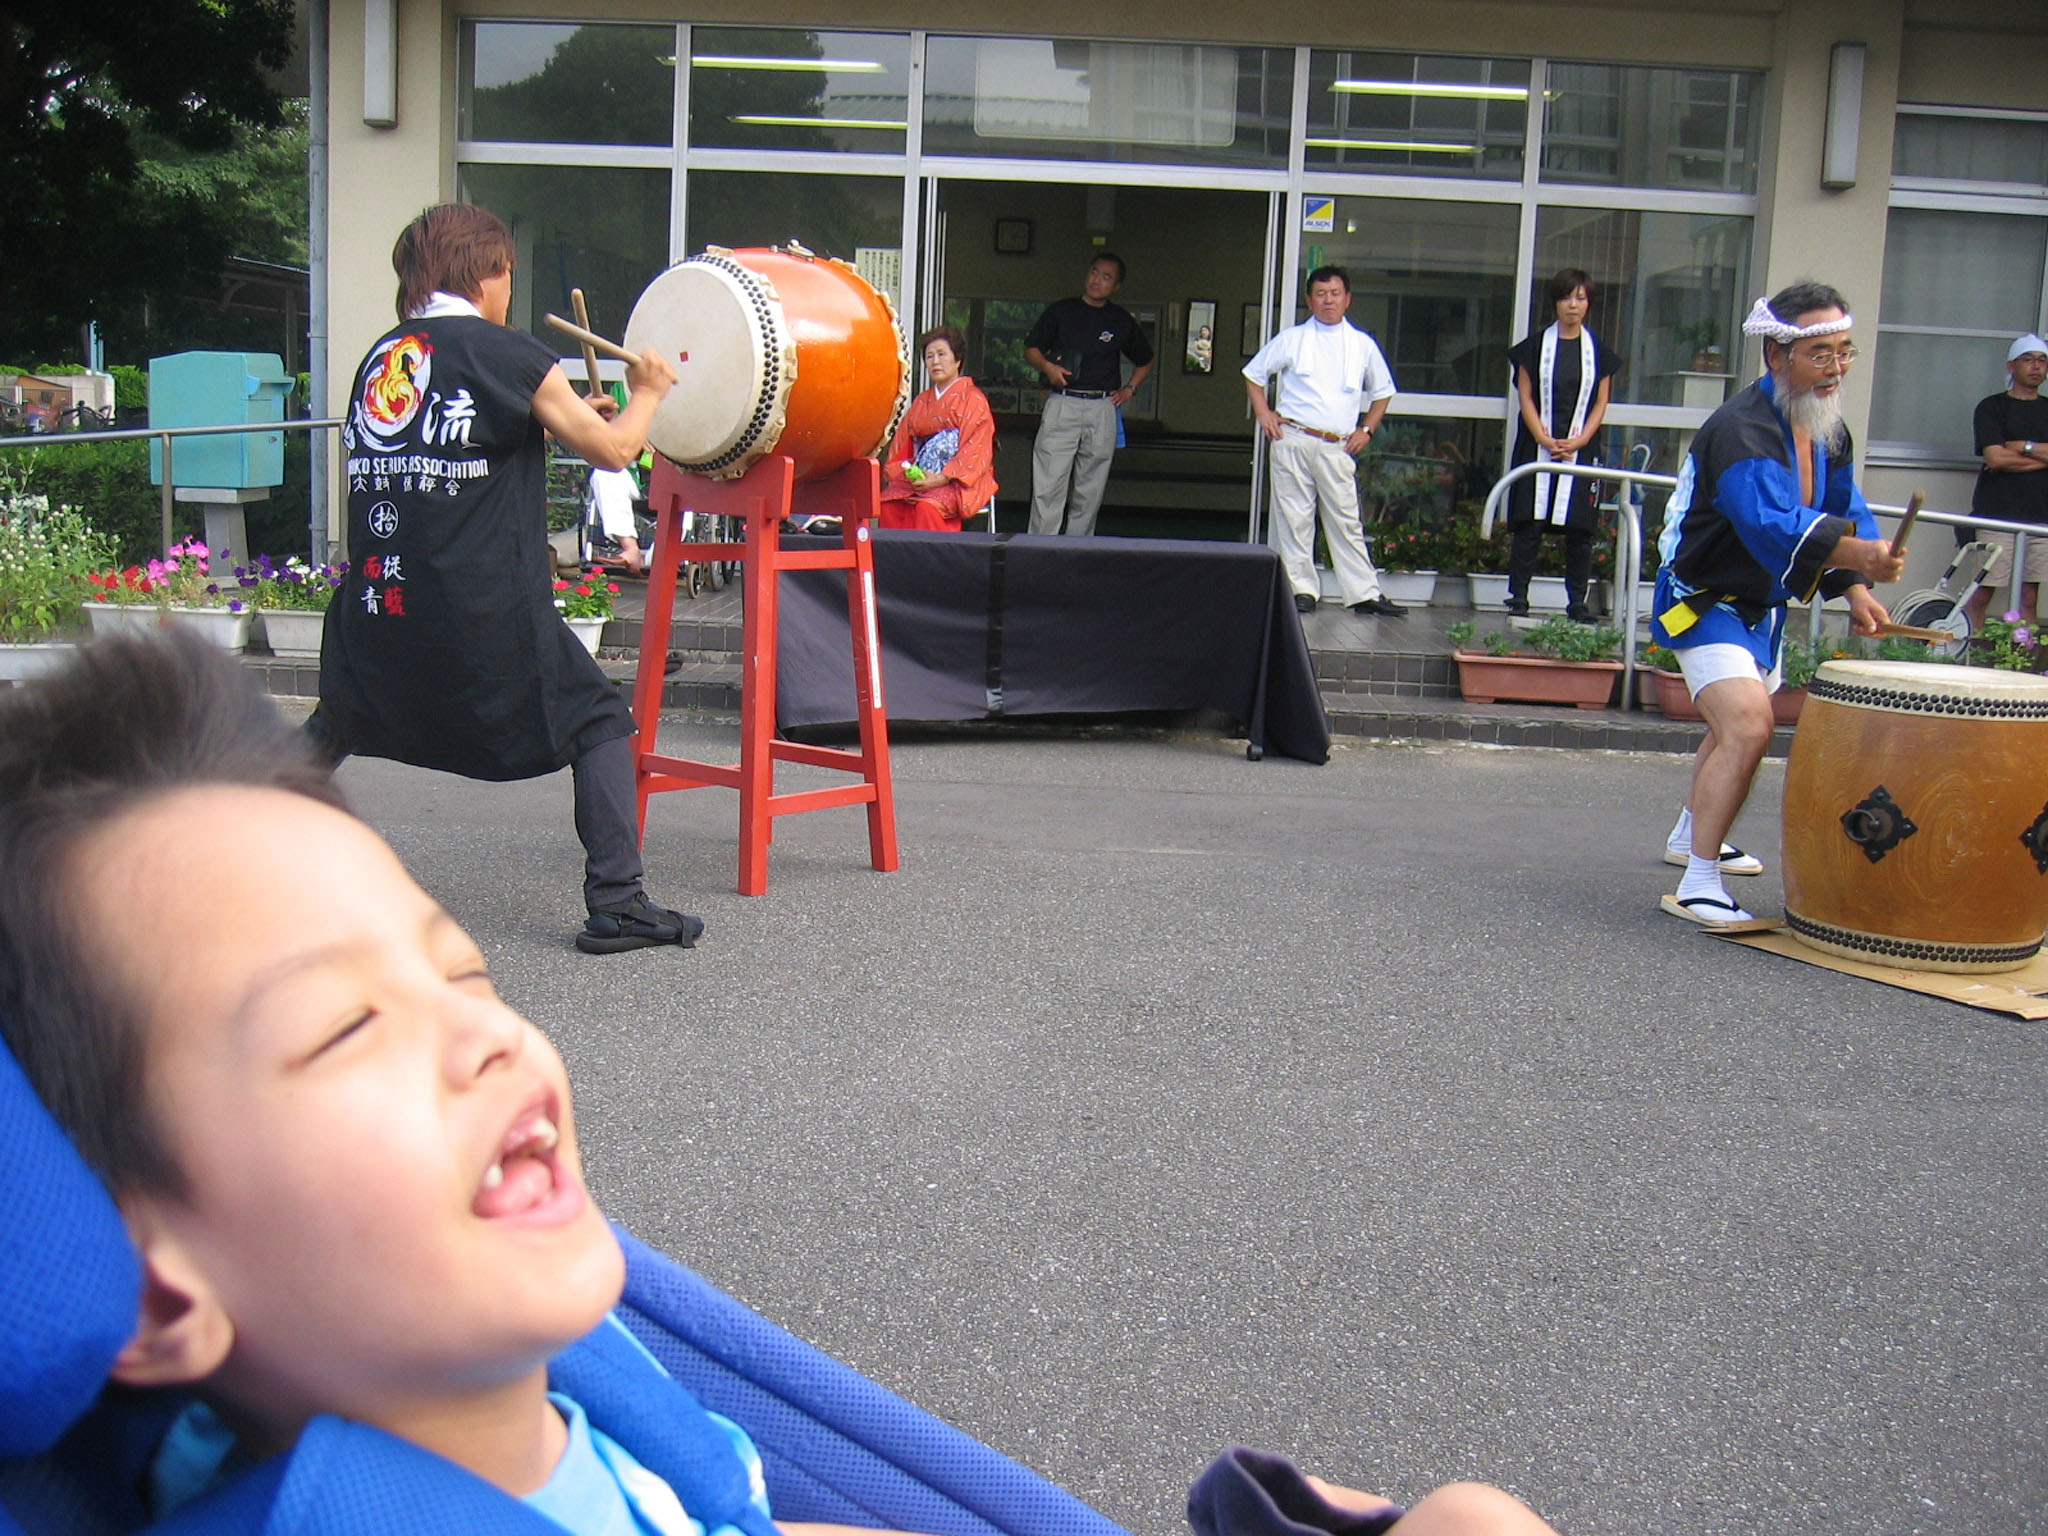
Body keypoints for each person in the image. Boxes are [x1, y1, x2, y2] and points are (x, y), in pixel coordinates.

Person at [0, 632, 1561, 1536]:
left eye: (463, 972)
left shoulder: (593, 1411)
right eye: (346, 1028)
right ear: (151, 1289)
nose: (487, 1036)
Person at [310, 203, 702, 956]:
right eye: (508, 275)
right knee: (600, 721)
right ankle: (618, 902)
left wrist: (560, 413)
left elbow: (463, 441)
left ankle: (233, 854)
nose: (509, 291)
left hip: (380, 600)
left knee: (340, 720)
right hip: (478, 607)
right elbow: (616, 451)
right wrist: (648, 389)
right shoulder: (507, 352)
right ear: (487, 271)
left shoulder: (381, 357)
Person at [1650, 281, 1904, 927]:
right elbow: (1770, 522)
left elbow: (1843, 507)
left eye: (1844, 352)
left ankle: (1690, 832)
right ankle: (1699, 880)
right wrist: (1859, 554)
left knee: (1731, 729)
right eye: (1821, 354)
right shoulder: (1740, 430)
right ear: (1776, 355)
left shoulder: (1825, 426)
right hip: (1703, 597)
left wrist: (1856, 585)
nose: (1836, 368)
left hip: (1760, 604)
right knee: (1747, 726)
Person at [1242, 266, 1405, 619]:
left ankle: (1363, 594)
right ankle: (1301, 589)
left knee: (1346, 520)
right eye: (1320, 294)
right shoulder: (1292, 338)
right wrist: (1263, 413)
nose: (1328, 300)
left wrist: (1367, 430)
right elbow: (1253, 375)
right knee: (1294, 518)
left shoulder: (1362, 344)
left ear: (1347, 299)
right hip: (1294, 437)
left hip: (1338, 445)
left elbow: (1383, 392)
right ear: (1309, 300)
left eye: (1334, 293)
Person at [1503, 269, 1620, 622]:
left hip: (1580, 448)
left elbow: (1601, 401)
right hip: (1537, 442)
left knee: (1580, 530)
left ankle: (1577, 603)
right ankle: (1518, 597)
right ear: (1555, 302)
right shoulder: (1534, 348)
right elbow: (1525, 395)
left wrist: (1580, 440)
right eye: (1566, 297)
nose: (1573, 305)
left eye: (1580, 298)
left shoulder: (1598, 352)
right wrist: (1542, 436)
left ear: (1588, 304)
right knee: (1530, 525)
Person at [1024, 253, 1155, 536]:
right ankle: (1040, 548)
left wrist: (1130, 388)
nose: (1097, 280)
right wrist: (1048, 367)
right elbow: (1031, 348)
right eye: (1094, 272)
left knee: (1090, 488)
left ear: (1116, 286)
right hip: (1063, 401)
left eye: (1106, 277)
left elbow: (1146, 359)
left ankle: (1078, 549)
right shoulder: (1061, 311)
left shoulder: (1120, 320)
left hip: (1102, 405)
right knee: (1049, 483)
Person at [1962, 333, 2048, 634]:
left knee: (2029, 598)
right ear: (2012, 366)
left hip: (2040, 516)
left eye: (2042, 360)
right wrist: (2042, 457)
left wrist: (2022, 447)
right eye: (2028, 359)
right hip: (1996, 513)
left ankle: (2021, 658)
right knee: (1981, 593)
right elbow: (1995, 458)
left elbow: (2004, 456)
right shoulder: (1992, 407)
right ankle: (1969, 652)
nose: (2036, 366)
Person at [880, 324, 997, 531]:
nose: (935, 361)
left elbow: (976, 449)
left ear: (957, 359)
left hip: (957, 480)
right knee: (888, 505)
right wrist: (910, 471)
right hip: (921, 475)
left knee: (927, 507)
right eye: (929, 356)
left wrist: (942, 477)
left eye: (942, 354)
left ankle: (935, 553)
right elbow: (903, 445)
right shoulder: (921, 401)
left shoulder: (974, 400)